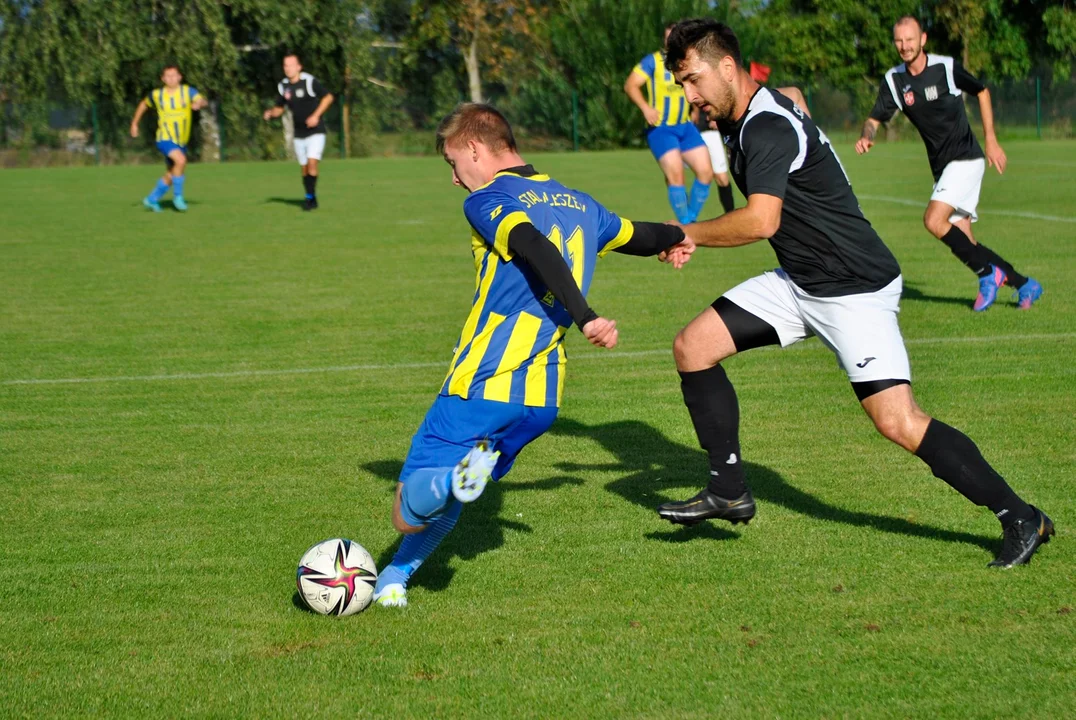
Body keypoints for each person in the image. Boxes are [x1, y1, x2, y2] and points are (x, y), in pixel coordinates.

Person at [652, 18, 1053, 568]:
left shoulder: (764, 127)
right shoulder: (747, 108)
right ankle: (728, 489)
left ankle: (1020, 515)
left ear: (728, 68)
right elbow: (791, 96)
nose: (690, 96)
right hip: (801, 280)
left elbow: (763, 220)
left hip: (853, 290)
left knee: (899, 422)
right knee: (692, 348)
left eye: (694, 80)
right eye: (682, 85)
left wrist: (687, 233)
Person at [372, 103, 694, 608]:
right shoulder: (580, 203)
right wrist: (677, 236)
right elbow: (639, 233)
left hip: (483, 380)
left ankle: (449, 482)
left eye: (454, 164)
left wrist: (585, 314)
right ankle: (395, 578)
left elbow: (533, 246)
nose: (456, 180)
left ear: (475, 149)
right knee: (458, 494)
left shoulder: (489, 198)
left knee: (408, 508)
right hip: (540, 398)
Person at [856, 16, 1042, 311]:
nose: (904, 46)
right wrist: (867, 136)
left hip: (966, 158)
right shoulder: (895, 81)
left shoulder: (945, 67)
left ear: (923, 40)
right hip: (943, 168)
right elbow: (874, 118)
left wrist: (991, 139)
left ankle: (987, 274)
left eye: (910, 39)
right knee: (968, 243)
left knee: (933, 220)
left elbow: (982, 91)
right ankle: (1025, 284)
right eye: (899, 41)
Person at [624, 23, 714, 224]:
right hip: (661, 129)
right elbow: (631, 85)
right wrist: (646, 108)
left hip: (685, 127)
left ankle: (689, 221)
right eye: (668, 37)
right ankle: (686, 225)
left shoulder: (687, 61)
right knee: (676, 176)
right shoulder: (653, 62)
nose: (671, 41)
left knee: (706, 173)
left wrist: (696, 110)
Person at [693, 86, 809, 216]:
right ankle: (690, 219)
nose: (689, 95)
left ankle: (726, 215)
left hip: (712, 133)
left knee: (722, 178)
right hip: (697, 132)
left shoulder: (758, 112)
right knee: (708, 176)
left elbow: (794, 93)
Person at [130, 65, 207, 212]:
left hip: (181, 140)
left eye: (174, 75)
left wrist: (199, 103)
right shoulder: (157, 95)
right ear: (163, 79)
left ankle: (152, 199)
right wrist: (134, 123)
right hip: (165, 137)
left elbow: (202, 100)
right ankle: (178, 198)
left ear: (180, 77)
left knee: (173, 173)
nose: (171, 78)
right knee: (181, 161)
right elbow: (143, 104)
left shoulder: (187, 91)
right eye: (168, 76)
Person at [263, 54, 334, 211]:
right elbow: (279, 108)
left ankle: (310, 199)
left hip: (316, 131)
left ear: (299, 67)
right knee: (304, 168)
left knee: (312, 163)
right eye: (285, 65)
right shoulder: (284, 87)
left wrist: (316, 116)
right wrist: (271, 113)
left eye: (291, 65)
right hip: (299, 133)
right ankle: (310, 195)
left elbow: (328, 97)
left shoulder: (309, 82)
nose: (287, 68)